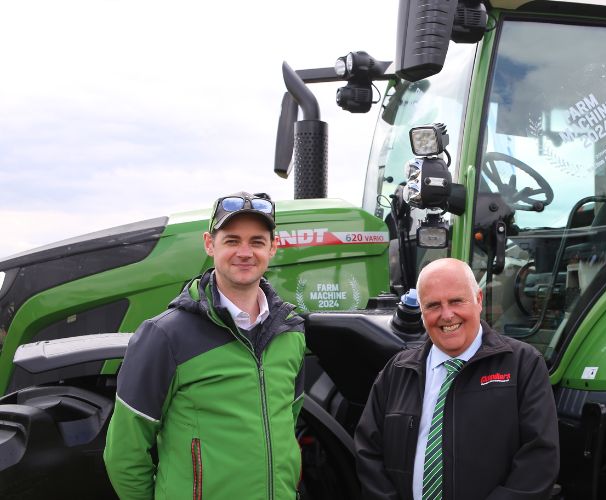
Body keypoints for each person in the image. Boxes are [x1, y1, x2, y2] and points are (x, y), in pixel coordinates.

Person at [104, 192, 306, 499]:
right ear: (210, 244)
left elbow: (287, 425)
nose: (244, 252)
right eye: (232, 240)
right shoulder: (165, 336)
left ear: (273, 247)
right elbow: (124, 455)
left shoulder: (291, 332)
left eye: (256, 242)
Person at [355, 258, 559, 500]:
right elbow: (369, 452)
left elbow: (538, 459)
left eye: (456, 301)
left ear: (478, 300)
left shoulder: (523, 365)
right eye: (433, 305)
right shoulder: (397, 372)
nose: (447, 315)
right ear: (421, 312)